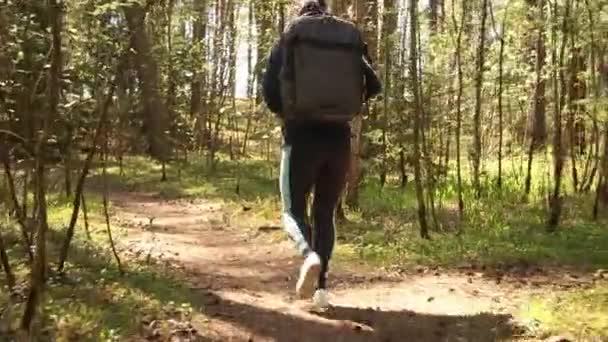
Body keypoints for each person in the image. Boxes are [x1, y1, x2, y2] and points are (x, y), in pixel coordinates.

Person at [261, 0, 382, 309]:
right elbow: (375, 84)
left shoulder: (291, 36)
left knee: (292, 211)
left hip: (301, 135)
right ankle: (322, 292)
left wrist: (288, 113)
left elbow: (269, 91)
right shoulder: (347, 38)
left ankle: (308, 254)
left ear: (300, 11)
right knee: (325, 213)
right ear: (325, 9)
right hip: (339, 137)